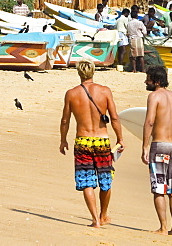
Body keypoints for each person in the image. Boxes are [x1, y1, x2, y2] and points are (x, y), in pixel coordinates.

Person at [59, 60, 125, 228]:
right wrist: (120, 138)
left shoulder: (71, 93)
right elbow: (115, 117)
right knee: (105, 179)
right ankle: (103, 215)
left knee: (87, 181)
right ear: (93, 72)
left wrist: (63, 140)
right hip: (102, 140)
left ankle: (95, 219)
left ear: (79, 73)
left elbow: (65, 120)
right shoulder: (104, 91)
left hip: (82, 141)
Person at [142, 65, 172, 236]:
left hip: (160, 145)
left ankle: (162, 227)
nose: (146, 81)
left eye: (148, 78)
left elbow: (150, 122)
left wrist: (145, 146)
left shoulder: (154, 96)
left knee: (159, 188)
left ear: (157, 81)